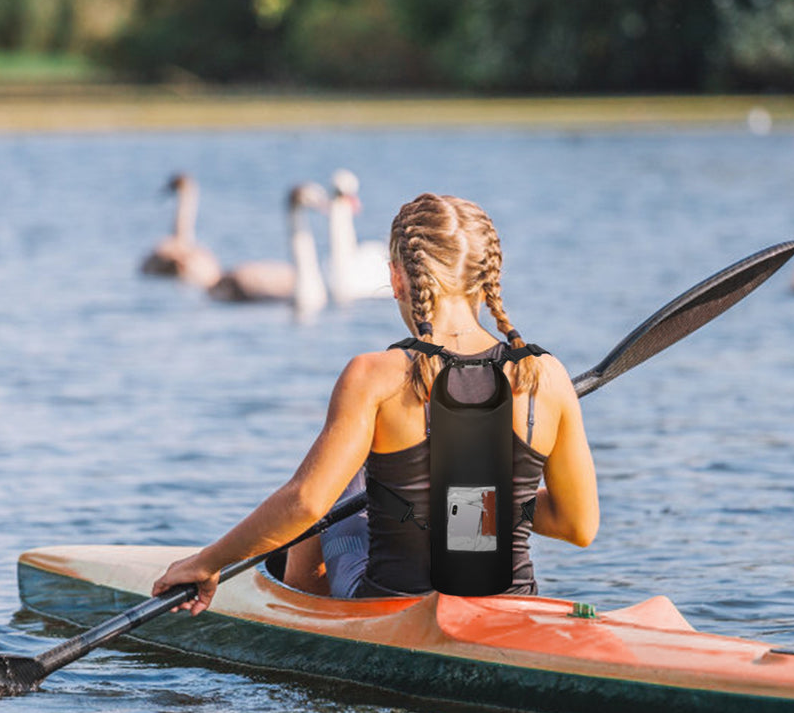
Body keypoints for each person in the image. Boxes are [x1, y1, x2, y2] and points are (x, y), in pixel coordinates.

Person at [152, 193, 599, 613]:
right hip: (512, 605)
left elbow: (306, 503)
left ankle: (300, 603)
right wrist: (491, 499)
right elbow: (577, 525)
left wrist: (207, 563)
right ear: (488, 280)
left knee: (342, 478)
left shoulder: (373, 376)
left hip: (390, 604)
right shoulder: (546, 374)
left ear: (396, 278)